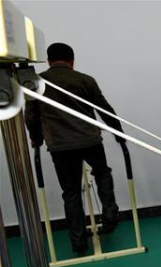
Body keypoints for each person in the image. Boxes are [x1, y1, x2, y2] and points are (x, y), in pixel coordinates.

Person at [25, 43, 124, 255]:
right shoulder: (86, 80)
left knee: (71, 192)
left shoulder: (37, 82)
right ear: (72, 61)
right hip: (90, 140)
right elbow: (104, 109)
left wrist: (36, 138)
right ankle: (109, 214)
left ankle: (78, 242)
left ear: (49, 61)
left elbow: (31, 116)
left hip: (60, 146)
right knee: (102, 173)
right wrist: (118, 133)